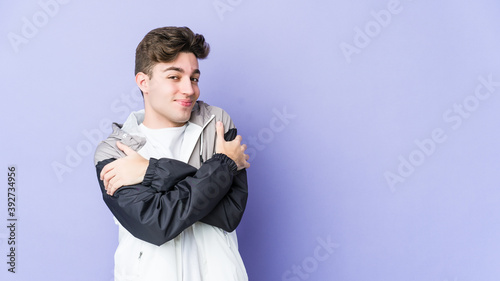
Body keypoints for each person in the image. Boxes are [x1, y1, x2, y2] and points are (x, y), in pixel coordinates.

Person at [94, 26, 250, 281]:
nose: (189, 90)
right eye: (174, 77)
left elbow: (229, 212)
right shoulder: (114, 151)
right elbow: (156, 224)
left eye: (194, 78)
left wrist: (150, 171)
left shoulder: (218, 124)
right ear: (144, 82)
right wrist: (222, 165)